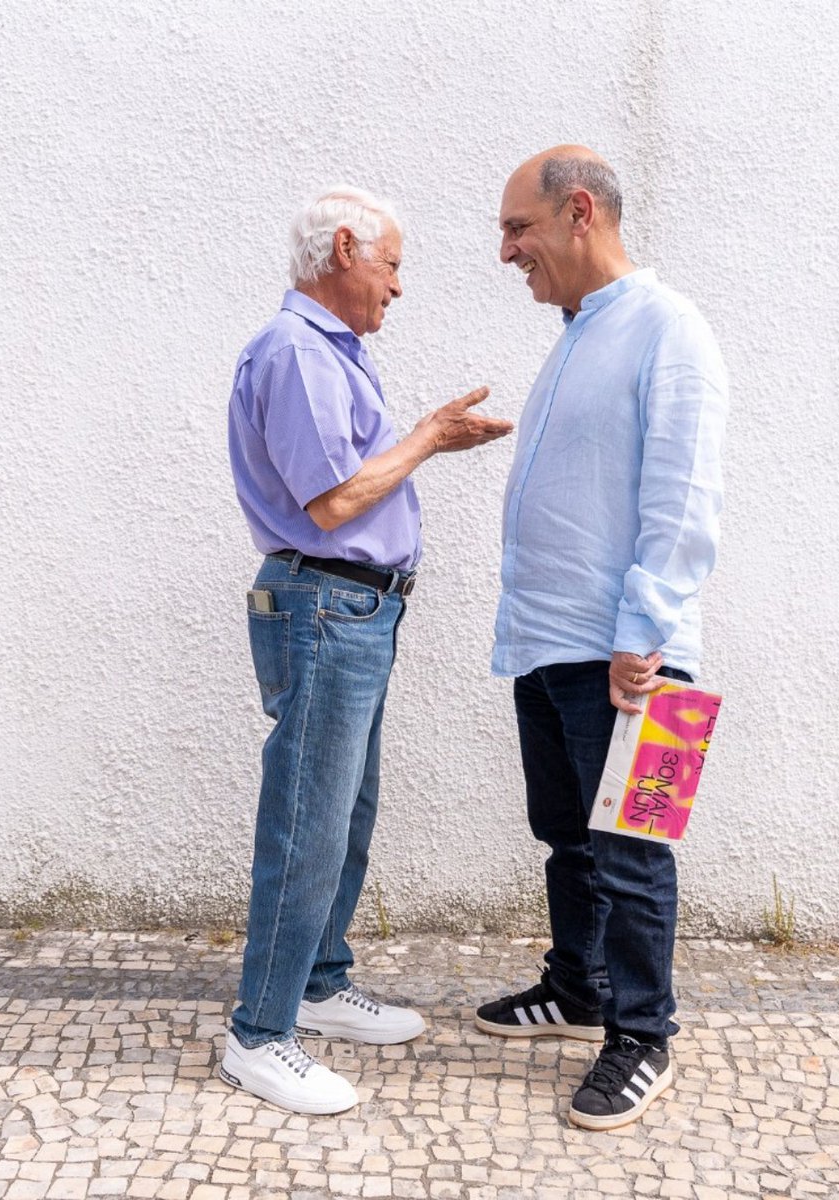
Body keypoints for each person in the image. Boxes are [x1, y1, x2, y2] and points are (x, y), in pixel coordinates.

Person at [225, 185, 512, 1114]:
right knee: (308, 818)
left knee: (346, 809)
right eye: (391, 265)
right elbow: (335, 502)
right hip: (325, 609)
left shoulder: (327, 353)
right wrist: (430, 434)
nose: (398, 287)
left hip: (355, 612)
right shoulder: (299, 354)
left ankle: (318, 979)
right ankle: (259, 1035)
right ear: (344, 250)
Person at [475, 147, 727, 1131]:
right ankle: (578, 988)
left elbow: (685, 493)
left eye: (517, 229)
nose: (506, 253)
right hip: (549, 645)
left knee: (631, 850)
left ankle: (642, 1032)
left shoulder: (670, 329)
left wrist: (645, 632)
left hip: (635, 656)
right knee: (569, 839)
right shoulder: (582, 332)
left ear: (579, 212)